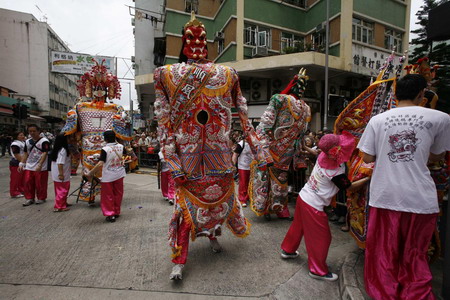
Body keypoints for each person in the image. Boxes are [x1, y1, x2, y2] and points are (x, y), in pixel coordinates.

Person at [154, 12, 271, 281]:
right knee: (185, 213)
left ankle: (212, 237)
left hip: (219, 157)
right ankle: (180, 260)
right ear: (183, 41)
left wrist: (257, 149)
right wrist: (172, 161)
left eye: (201, 39)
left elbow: (242, 113)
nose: (196, 43)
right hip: (188, 159)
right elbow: (163, 121)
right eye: (190, 38)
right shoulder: (165, 74)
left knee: (217, 204)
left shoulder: (227, 74)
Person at [358, 74, 450, 300]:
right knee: (415, 253)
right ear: (422, 94)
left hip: (385, 196)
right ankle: (416, 294)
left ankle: (385, 293)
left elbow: (366, 156)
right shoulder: (441, 118)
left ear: (395, 94)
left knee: (383, 251)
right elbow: (438, 154)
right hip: (420, 198)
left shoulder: (378, 120)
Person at [280, 131, 370, 281]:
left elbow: (316, 152)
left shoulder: (322, 156)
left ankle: (288, 250)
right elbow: (349, 187)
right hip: (313, 204)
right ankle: (317, 269)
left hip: (304, 197)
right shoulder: (334, 171)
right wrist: (368, 177)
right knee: (322, 237)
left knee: (298, 227)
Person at [61, 61, 132, 204]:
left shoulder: (114, 108)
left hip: (108, 146)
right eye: (96, 87)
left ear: (107, 90)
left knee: (108, 171)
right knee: (89, 169)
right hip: (88, 145)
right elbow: (71, 126)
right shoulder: (80, 107)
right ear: (90, 88)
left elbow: (123, 127)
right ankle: (90, 195)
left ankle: (108, 195)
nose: (99, 91)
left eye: (102, 88)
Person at [249, 69, 311, 220]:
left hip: (270, 148)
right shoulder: (306, 108)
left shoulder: (279, 99)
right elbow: (301, 134)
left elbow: (265, 125)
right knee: (281, 179)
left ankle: (263, 207)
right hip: (287, 152)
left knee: (263, 177)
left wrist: (261, 146)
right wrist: (299, 153)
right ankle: (279, 208)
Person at [86, 130, 126, 223]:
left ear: (105, 138)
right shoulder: (121, 146)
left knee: (108, 195)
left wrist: (91, 173)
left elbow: (100, 164)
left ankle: (110, 214)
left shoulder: (105, 149)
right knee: (118, 194)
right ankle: (116, 211)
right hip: (120, 174)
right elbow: (125, 156)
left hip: (108, 176)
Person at [19, 124, 50, 206]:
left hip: (41, 167)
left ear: (38, 131)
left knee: (40, 183)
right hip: (29, 165)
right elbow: (25, 153)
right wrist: (21, 163)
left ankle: (41, 198)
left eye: (34, 131)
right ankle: (29, 198)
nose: (32, 133)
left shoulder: (44, 141)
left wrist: (40, 164)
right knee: (28, 182)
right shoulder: (27, 141)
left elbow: (45, 153)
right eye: (30, 131)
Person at [50, 134, 71, 212]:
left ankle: (63, 202)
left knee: (59, 189)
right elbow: (60, 163)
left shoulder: (57, 149)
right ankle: (60, 206)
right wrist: (61, 174)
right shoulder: (63, 150)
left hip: (58, 172)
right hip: (61, 173)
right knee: (62, 190)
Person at [232, 134, 254, 207]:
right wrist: (233, 166)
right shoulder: (241, 144)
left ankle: (248, 197)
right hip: (243, 167)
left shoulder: (254, 144)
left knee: (251, 182)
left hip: (253, 166)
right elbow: (235, 155)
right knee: (243, 183)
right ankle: (242, 199)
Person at [9, 131, 26, 198]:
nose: (22, 136)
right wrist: (22, 161)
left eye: (23, 135)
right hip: (16, 163)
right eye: (20, 135)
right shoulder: (15, 144)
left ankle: (21, 189)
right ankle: (13, 192)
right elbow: (16, 154)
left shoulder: (23, 142)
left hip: (22, 161)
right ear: (16, 136)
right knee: (15, 179)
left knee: (21, 178)